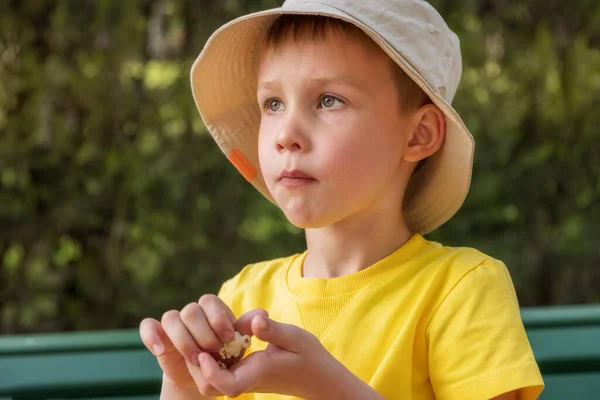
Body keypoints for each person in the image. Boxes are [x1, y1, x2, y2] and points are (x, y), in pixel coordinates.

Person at [139, 1, 544, 399]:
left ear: (419, 135)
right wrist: (185, 385)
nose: (286, 134)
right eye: (273, 103)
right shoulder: (241, 297)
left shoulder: (460, 290)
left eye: (329, 100)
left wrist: (326, 387)